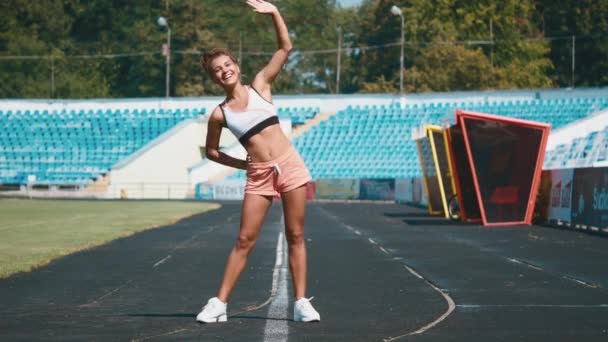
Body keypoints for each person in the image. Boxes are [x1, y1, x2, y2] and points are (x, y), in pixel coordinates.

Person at [196, 0, 320, 324]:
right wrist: (243, 166)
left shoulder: (261, 85)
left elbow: (285, 47)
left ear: (236, 64)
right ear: (215, 78)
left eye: (227, 64)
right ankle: (219, 303)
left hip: (289, 165)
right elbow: (211, 152)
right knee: (244, 240)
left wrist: (274, 13)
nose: (225, 70)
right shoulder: (219, 114)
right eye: (218, 70)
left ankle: (302, 302)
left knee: (296, 235)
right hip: (260, 175)